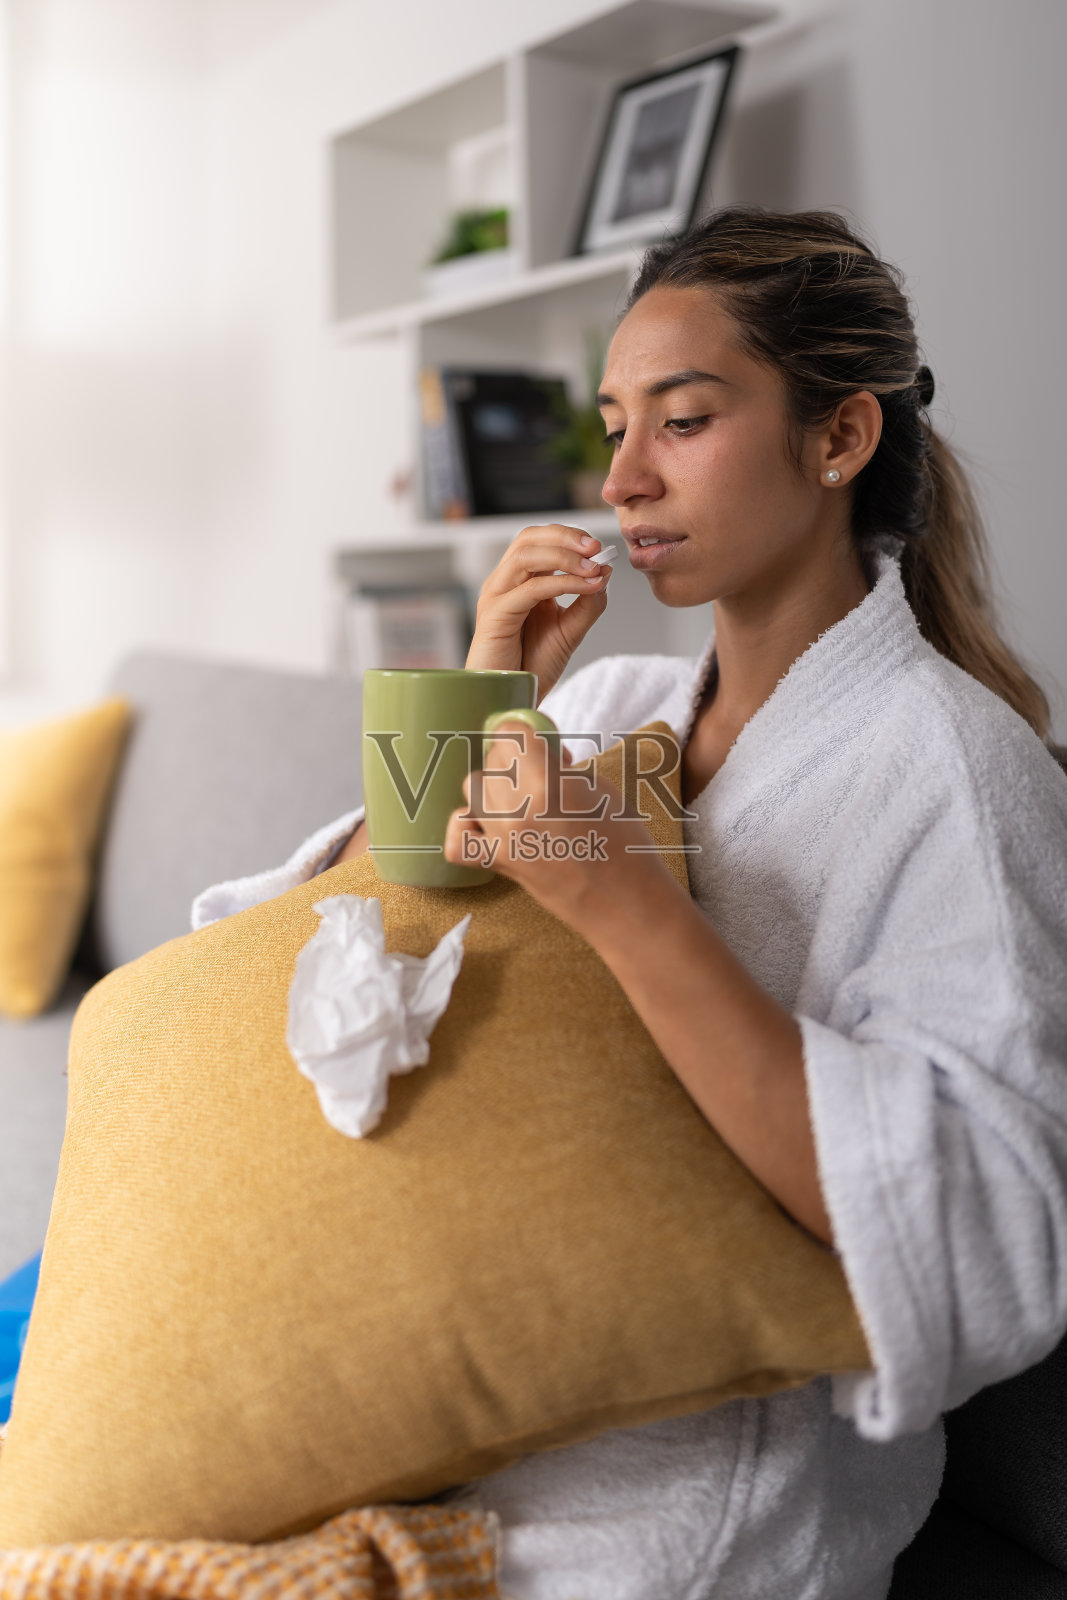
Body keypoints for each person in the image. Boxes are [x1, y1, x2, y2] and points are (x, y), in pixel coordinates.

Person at [193, 209, 1067, 1599]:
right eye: (615, 425)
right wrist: (491, 690)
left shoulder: (958, 772)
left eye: (685, 420)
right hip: (454, 1355)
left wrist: (623, 902)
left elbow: (982, 1236)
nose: (623, 479)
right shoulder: (614, 705)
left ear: (838, 439)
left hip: (691, 1486)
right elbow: (340, 942)